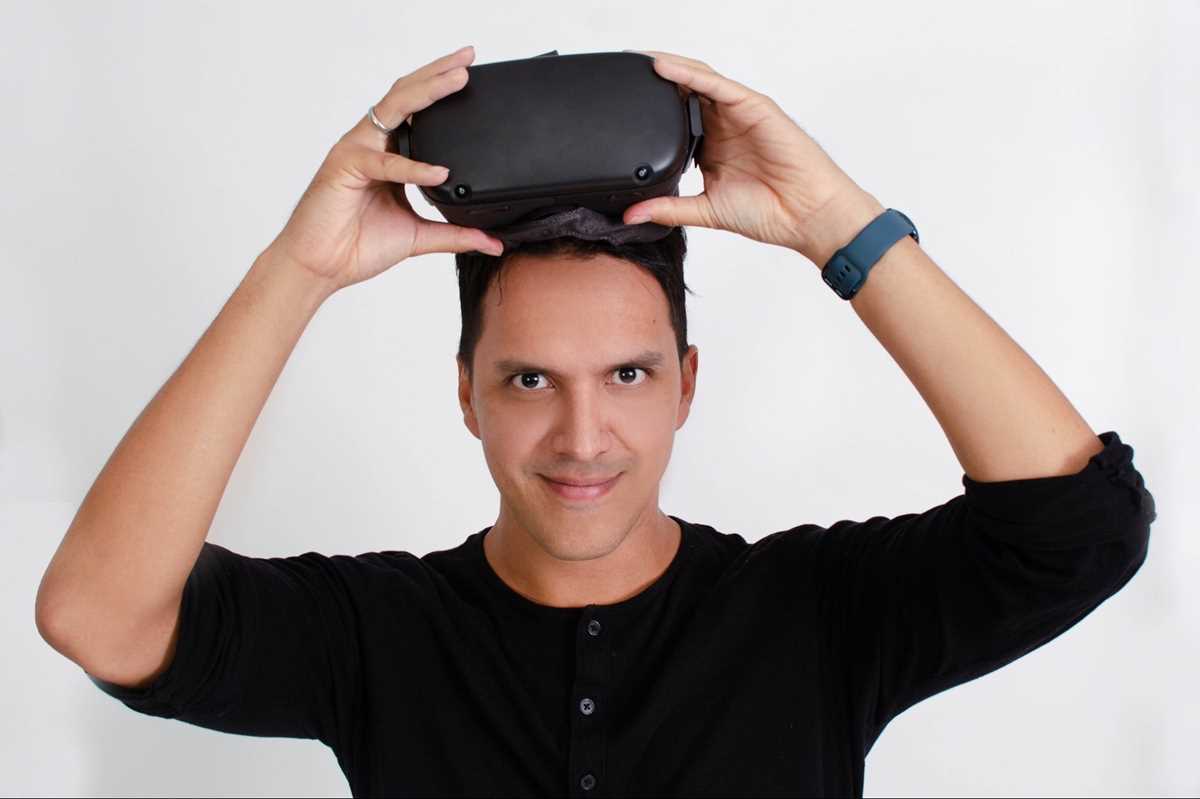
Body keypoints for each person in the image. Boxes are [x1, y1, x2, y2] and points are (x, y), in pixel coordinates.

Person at [34, 45, 1156, 798]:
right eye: (530, 380)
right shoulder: (379, 637)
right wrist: (301, 267)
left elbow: (1081, 528)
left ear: (687, 385)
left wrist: (833, 221)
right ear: (466, 392)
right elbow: (98, 614)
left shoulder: (814, 617)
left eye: (627, 374)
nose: (582, 436)